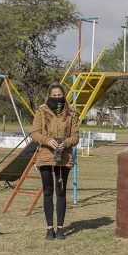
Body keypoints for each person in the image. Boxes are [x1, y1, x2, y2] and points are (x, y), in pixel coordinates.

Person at [29, 83, 80, 240]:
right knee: (48, 191)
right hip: (45, 156)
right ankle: (49, 228)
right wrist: (47, 140)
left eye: (60, 95)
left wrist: (65, 143)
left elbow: (75, 136)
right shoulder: (41, 111)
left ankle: (60, 228)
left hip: (63, 158)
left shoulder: (71, 113)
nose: (57, 98)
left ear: (63, 95)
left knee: (61, 192)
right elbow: (34, 133)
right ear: (49, 95)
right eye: (54, 95)